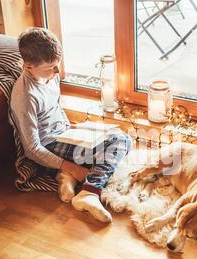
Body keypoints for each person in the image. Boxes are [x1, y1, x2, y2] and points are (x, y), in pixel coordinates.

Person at [10, 28, 132, 223]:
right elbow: (32, 149)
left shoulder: (51, 75)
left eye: (58, 64)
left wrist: (74, 128)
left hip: (64, 133)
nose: (58, 71)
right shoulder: (25, 97)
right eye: (51, 67)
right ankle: (89, 192)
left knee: (120, 137)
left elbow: (56, 106)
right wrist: (75, 168)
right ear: (28, 66)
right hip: (48, 143)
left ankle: (66, 176)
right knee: (120, 142)